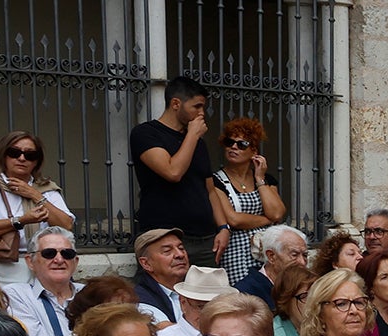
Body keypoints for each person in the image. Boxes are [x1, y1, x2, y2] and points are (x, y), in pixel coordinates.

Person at [130, 75, 222, 267]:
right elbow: (173, 172)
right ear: (175, 103)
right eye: (196, 106)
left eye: (203, 107)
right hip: (164, 238)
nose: (201, 113)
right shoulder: (146, 133)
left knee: (209, 296)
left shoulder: (198, 143)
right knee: (164, 295)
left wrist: (223, 227)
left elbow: (210, 190)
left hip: (204, 240)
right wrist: (193, 134)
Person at [0, 131, 75, 286]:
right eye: (14, 153)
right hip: (3, 266)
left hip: (45, 266)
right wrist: (21, 221)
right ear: (4, 156)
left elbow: (67, 225)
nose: (22, 158)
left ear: (37, 161)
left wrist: (34, 195)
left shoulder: (45, 189)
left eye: (30, 155)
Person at [207, 118, 285, 284]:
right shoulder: (216, 180)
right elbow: (233, 219)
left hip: (265, 252)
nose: (234, 147)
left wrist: (259, 178)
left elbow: (277, 212)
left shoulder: (265, 179)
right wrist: (268, 220)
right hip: (235, 253)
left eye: (242, 144)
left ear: (253, 151)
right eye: (229, 142)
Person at [5, 227, 83, 336]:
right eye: (49, 253)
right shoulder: (16, 295)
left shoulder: (91, 294)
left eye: (67, 254)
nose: (59, 259)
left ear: (75, 261)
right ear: (30, 261)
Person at [233, 223, 308, 310]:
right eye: (294, 255)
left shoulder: (307, 286)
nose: (302, 262)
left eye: (305, 255)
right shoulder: (245, 294)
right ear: (271, 256)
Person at [262, 263, 314, 336]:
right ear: (285, 299)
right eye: (305, 296)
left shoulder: (324, 326)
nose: (313, 302)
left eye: (315, 295)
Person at [132, 227, 191, 325]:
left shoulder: (196, 287)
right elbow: (168, 335)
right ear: (146, 264)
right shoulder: (141, 300)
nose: (180, 254)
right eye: (167, 251)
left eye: (181, 248)